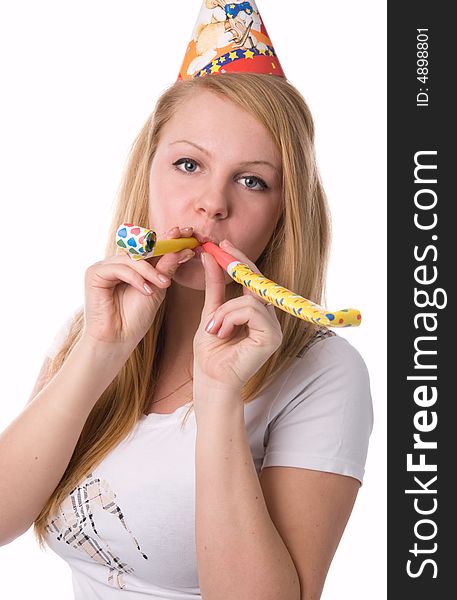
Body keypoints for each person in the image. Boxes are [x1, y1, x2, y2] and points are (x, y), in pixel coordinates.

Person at [0, 1, 373, 598]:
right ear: (147, 177)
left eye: (252, 180)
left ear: (283, 216)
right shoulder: (93, 324)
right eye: (188, 164)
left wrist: (219, 399)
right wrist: (100, 352)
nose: (212, 205)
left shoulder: (325, 373)